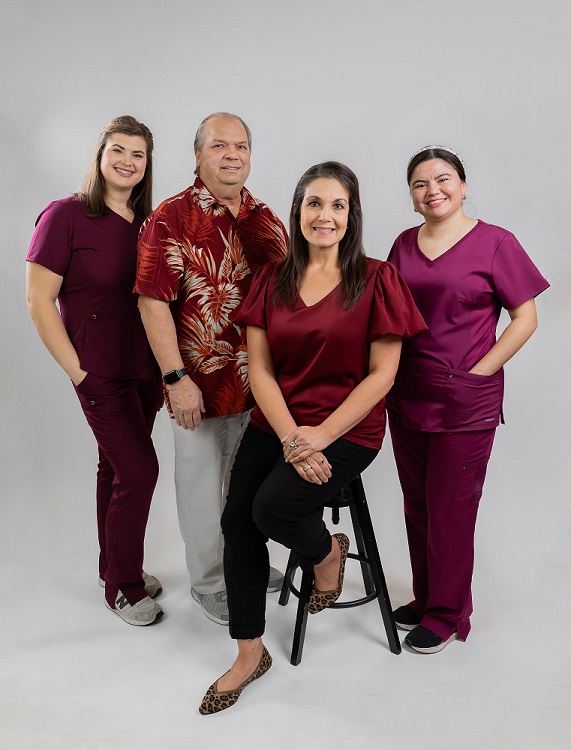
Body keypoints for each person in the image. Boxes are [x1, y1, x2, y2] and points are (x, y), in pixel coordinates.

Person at [198, 161, 427, 714]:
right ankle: (250, 652)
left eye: (338, 205)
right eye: (314, 204)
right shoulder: (270, 280)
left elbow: (382, 376)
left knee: (272, 509)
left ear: (351, 217)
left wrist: (320, 435)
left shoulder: (377, 279)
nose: (325, 216)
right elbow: (261, 369)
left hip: (348, 428)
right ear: (299, 210)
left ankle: (327, 553)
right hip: (276, 423)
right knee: (237, 522)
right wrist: (292, 438)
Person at [386, 145, 550, 653]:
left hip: (466, 401)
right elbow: (389, 316)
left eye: (443, 179)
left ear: (462, 184)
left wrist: (477, 372)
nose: (433, 190)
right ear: (411, 198)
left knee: (451, 508)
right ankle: (426, 595)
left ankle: (447, 613)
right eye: (420, 184)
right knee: (417, 505)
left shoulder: (496, 243)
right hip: (405, 394)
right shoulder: (402, 245)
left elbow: (526, 318)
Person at [135, 112, 288, 625]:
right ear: (198, 155)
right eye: (219, 146)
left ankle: (244, 561)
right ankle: (208, 583)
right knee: (201, 489)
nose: (232, 155)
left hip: (260, 385)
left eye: (241, 146)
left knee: (246, 484)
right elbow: (152, 302)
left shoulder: (265, 217)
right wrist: (175, 379)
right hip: (198, 385)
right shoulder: (169, 218)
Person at [26, 115, 164, 626]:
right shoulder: (65, 216)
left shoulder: (148, 223)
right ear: (100, 156)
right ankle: (124, 589)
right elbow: (38, 301)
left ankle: (114, 566)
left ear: (147, 165)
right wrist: (77, 371)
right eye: (119, 151)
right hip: (98, 372)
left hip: (145, 369)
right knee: (141, 470)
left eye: (138, 155)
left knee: (116, 468)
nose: (127, 162)